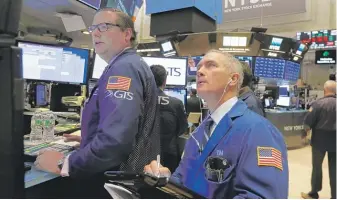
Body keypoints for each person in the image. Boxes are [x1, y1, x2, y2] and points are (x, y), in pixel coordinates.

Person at [34, 8, 160, 198]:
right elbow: (124, 129)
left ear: (127, 34)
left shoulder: (123, 68)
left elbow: (114, 141)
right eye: (94, 28)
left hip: (111, 183)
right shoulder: (127, 64)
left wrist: (65, 163)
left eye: (104, 26)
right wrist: (88, 138)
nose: (95, 32)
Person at [144, 50, 289, 199]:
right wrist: (166, 181)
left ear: (233, 79)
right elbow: (183, 179)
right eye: (199, 67)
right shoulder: (200, 132)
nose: (200, 71)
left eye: (211, 65)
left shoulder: (259, 131)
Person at [301, 80, 336, 199]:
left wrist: (304, 134)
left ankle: (314, 193)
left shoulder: (318, 104)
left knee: (317, 167)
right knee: (335, 169)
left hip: (319, 140)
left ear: (325, 90)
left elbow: (308, 123)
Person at [150, 64, 188, 172]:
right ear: (164, 81)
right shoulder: (176, 103)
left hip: (143, 154)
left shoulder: (141, 101)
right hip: (169, 153)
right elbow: (183, 128)